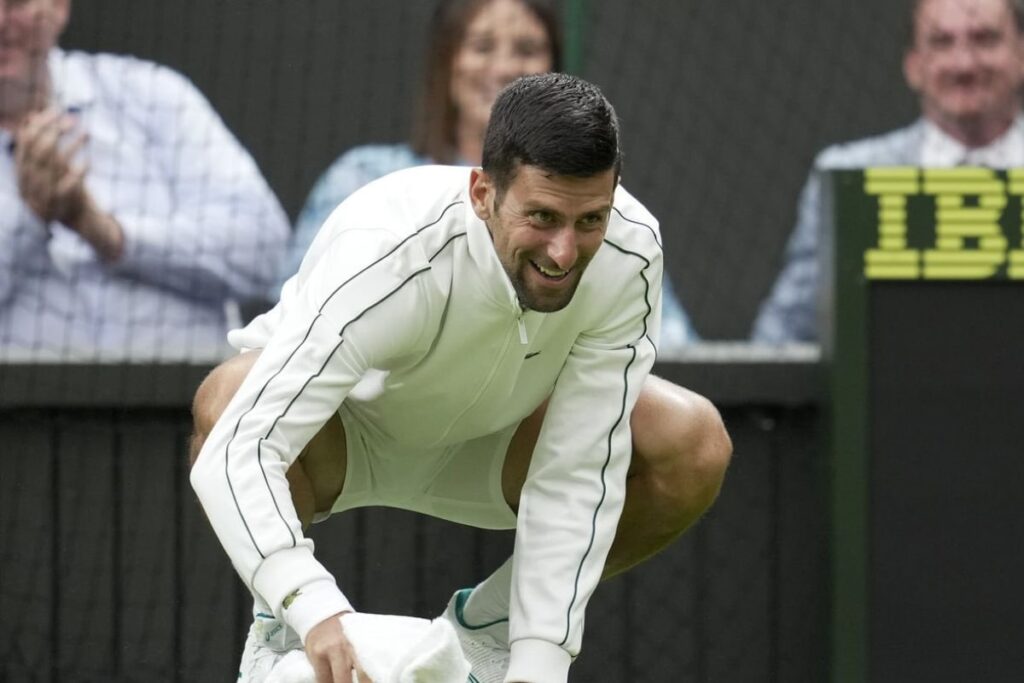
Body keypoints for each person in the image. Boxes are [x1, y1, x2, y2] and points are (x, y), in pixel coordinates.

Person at [190, 73, 732, 683]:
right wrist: (312, 609)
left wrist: (539, 664)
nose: (563, 252)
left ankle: (487, 636)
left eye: (589, 220)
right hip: (342, 444)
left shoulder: (631, 255)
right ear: (482, 193)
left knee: (692, 440)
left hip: (494, 450)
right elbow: (240, 446)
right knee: (231, 397)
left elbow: (576, 472)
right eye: (542, 216)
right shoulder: (387, 246)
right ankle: (279, 637)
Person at [274, 0, 700, 350]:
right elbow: (300, 318)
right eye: (482, 45)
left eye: (526, 49)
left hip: (540, 405)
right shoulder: (364, 178)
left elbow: (670, 340)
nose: (503, 68)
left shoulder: (594, 205)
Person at [0, 0, 289, 361]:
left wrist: (107, 234)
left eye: (15, 4)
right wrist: (31, 216)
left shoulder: (150, 94)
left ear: (58, 7)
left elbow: (263, 249)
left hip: (185, 404)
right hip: (20, 411)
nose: (0, 21)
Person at [751, 0, 1024, 343]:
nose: (963, 64)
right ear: (913, 65)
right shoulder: (848, 177)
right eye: (941, 42)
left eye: (985, 39)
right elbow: (783, 335)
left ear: (1021, 53)